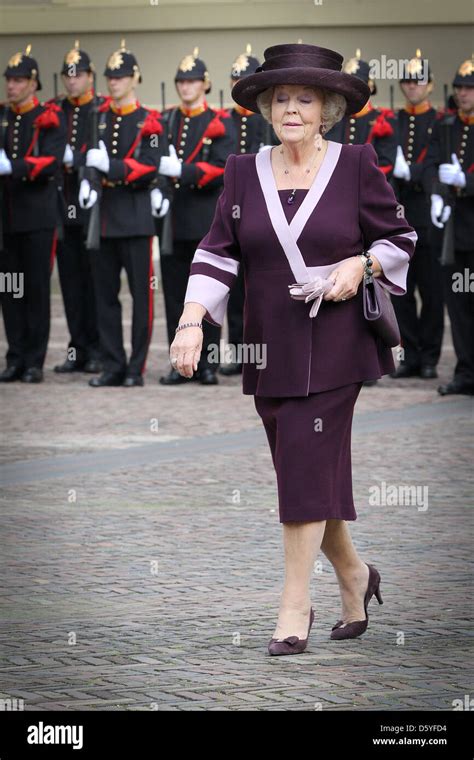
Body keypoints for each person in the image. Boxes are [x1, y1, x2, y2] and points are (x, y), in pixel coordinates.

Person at [169, 43, 417, 655]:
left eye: (305, 98)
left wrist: (359, 266)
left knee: (305, 467)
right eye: (280, 97)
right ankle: (357, 576)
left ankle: (292, 604)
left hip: (337, 348)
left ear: (327, 107)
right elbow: (217, 251)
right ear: (264, 105)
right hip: (268, 346)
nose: (291, 108)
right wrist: (192, 319)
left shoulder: (357, 164)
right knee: (304, 473)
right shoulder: (242, 171)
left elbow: (400, 240)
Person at [78, 40, 171, 387]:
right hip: (103, 218)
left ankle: (135, 366)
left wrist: (112, 168)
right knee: (105, 296)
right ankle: (112, 364)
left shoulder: (150, 120)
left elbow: (150, 167)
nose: (113, 82)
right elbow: (89, 156)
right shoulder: (98, 117)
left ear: (134, 79)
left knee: (140, 297)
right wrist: (88, 180)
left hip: (134, 216)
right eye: (110, 77)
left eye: (120, 76)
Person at [157, 48, 236, 386]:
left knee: (208, 293)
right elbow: (156, 160)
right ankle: (180, 362)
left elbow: (221, 167)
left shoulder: (218, 121)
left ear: (204, 84)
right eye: (181, 81)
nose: (185, 87)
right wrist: (159, 186)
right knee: (175, 293)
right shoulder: (168, 119)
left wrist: (184, 171)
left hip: (204, 218)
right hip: (173, 218)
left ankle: (207, 364)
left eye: (191, 81)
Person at [0, 45, 66, 384]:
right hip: (7, 220)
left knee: (37, 290)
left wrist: (15, 167)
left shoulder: (47, 115)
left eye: (18, 80)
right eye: (9, 79)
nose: (11, 86)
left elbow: (51, 162)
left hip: (38, 218)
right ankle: (15, 356)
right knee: (10, 290)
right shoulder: (3, 116)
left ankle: (34, 361)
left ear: (33, 83)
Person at [390, 50, 443, 379]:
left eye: (418, 81)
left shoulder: (439, 121)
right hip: (399, 214)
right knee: (401, 290)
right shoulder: (394, 120)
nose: (411, 87)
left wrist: (415, 172)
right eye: (407, 81)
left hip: (428, 213)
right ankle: (409, 354)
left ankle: (429, 358)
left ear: (430, 85)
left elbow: (438, 159)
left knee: (432, 291)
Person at [423, 56, 474, 396]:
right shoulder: (446, 126)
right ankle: (466, 372)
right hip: (454, 232)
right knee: (458, 306)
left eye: (469, 88)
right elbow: (431, 165)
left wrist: (466, 183)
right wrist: (436, 196)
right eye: (459, 87)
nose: (463, 93)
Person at [54, 41, 102, 375]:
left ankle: (97, 349)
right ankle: (77, 348)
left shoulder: (99, 110)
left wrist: (81, 161)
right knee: (70, 282)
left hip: (92, 207)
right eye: (67, 75)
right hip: (62, 205)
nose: (72, 81)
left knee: (95, 280)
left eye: (78, 75)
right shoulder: (55, 111)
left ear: (89, 77)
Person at [220, 45, 267, 377]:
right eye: (236, 78)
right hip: (231, 214)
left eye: (245, 79)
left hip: (263, 215)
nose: (240, 83)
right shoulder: (223, 122)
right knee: (235, 291)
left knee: (261, 289)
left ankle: (261, 351)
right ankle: (238, 350)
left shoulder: (268, 121)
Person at [326, 49, 397, 180]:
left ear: (370, 85)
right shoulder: (333, 118)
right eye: (346, 84)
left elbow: (386, 165)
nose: (350, 90)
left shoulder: (383, 119)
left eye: (357, 84)